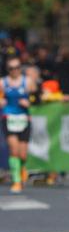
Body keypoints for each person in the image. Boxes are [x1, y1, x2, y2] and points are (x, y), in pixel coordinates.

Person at [2, 57, 35, 192]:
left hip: (24, 119)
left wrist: (29, 102)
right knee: (14, 150)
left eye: (17, 67)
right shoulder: (2, 82)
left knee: (23, 155)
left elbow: (37, 97)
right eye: (11, 68)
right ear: (7, 69)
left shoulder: (27, 81)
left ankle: (21, 168)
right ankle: (16, 180)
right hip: (9, 118)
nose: (14, 71)